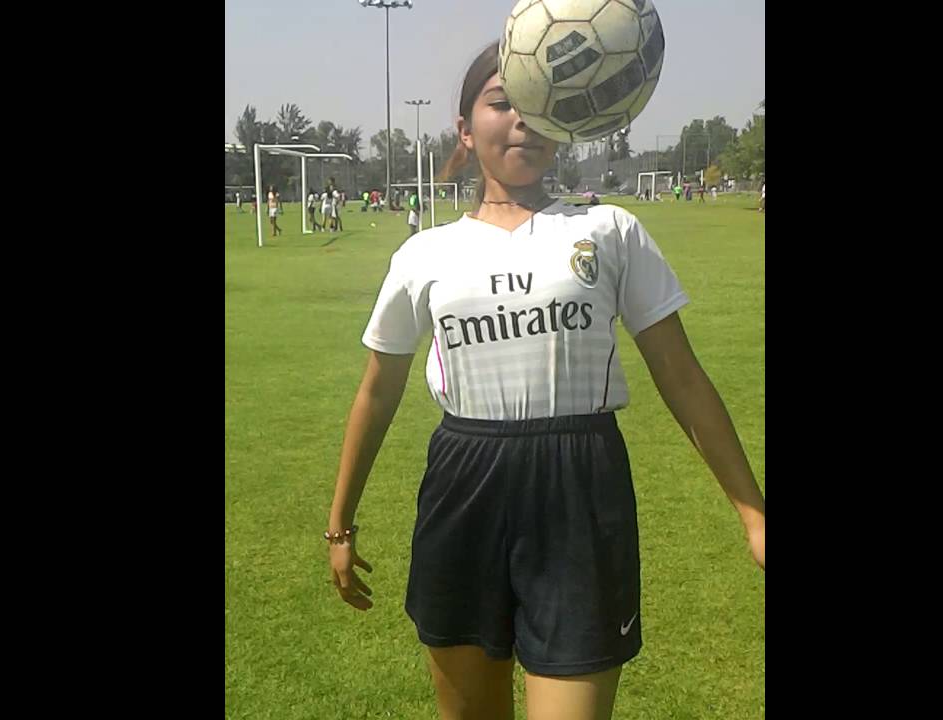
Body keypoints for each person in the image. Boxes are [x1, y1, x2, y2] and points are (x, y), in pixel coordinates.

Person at [326, 40, 765, 720]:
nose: (523, 121)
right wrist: (339, 526)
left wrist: (753, 512)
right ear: (465, 129)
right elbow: (376, 392)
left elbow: (681, 376)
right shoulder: (425, 254)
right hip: (465, 484)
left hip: (580, 485)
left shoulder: (610, 229)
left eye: (539, 105)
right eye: (503, 103)